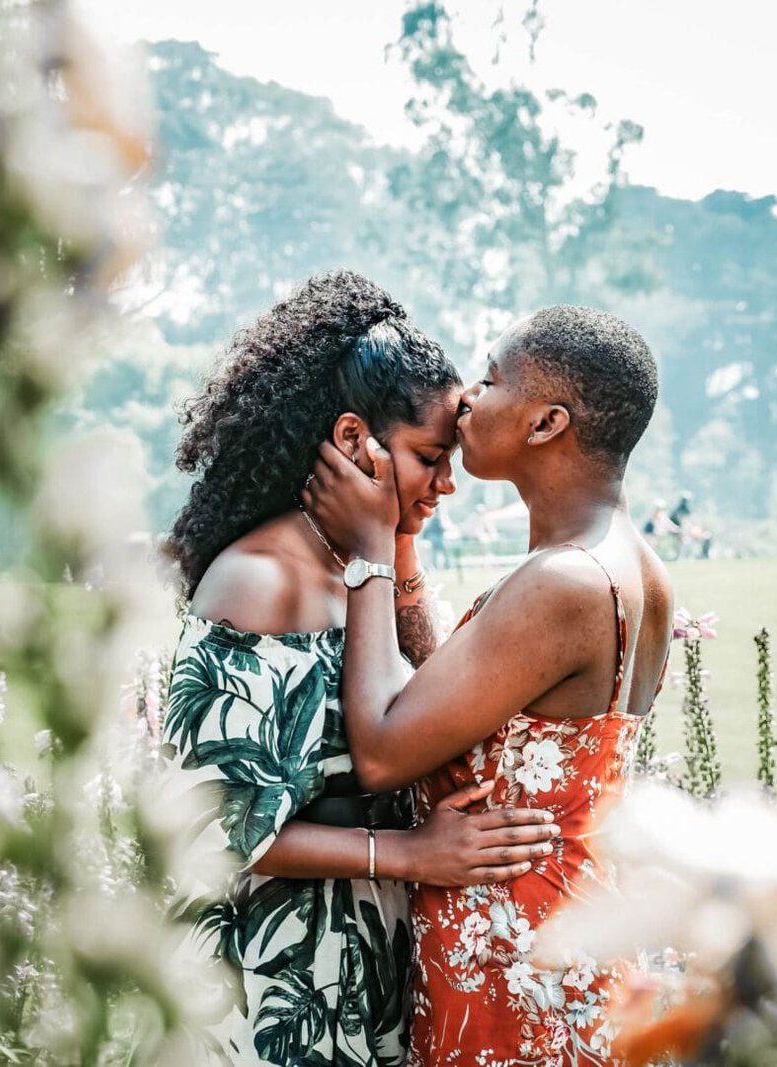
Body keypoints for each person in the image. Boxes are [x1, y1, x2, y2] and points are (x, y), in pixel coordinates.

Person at [162, 273, 560, 1067]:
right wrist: (410, 854)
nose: (447, 483)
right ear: (353, 440)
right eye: (429, 458)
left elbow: (430, 703)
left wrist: (391, 543)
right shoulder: (257, 582)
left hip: (364, 968)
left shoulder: (358, 571)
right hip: (271, 982)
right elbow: (212, 825)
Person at [305, 304, 673, 1066]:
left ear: (546, 423)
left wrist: (370, 549)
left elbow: (382, 749)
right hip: (560, 933)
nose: (467, 397)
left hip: (516, 965)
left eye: (492, 378)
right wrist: (403, 540)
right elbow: (455, 701)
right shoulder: (632, 565)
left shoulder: (565, 581)